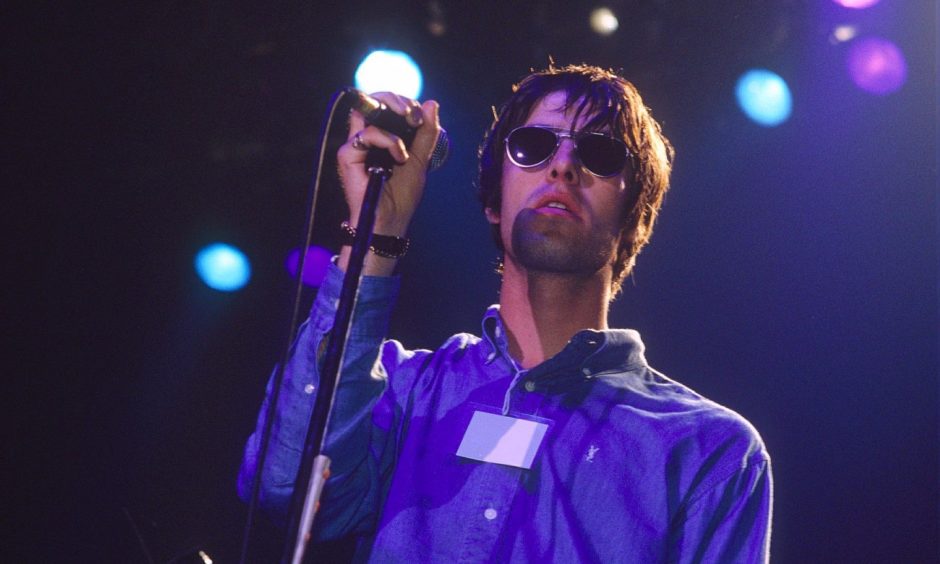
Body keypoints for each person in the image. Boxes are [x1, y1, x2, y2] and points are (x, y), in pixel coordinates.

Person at [239, 64, 773, 562]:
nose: (563, 165)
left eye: (600, 154)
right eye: (534, 146)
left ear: (635, 219)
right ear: (494, 201)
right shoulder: (402, 391)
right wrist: (377, 237)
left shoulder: (708, 451)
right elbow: (286, 488)